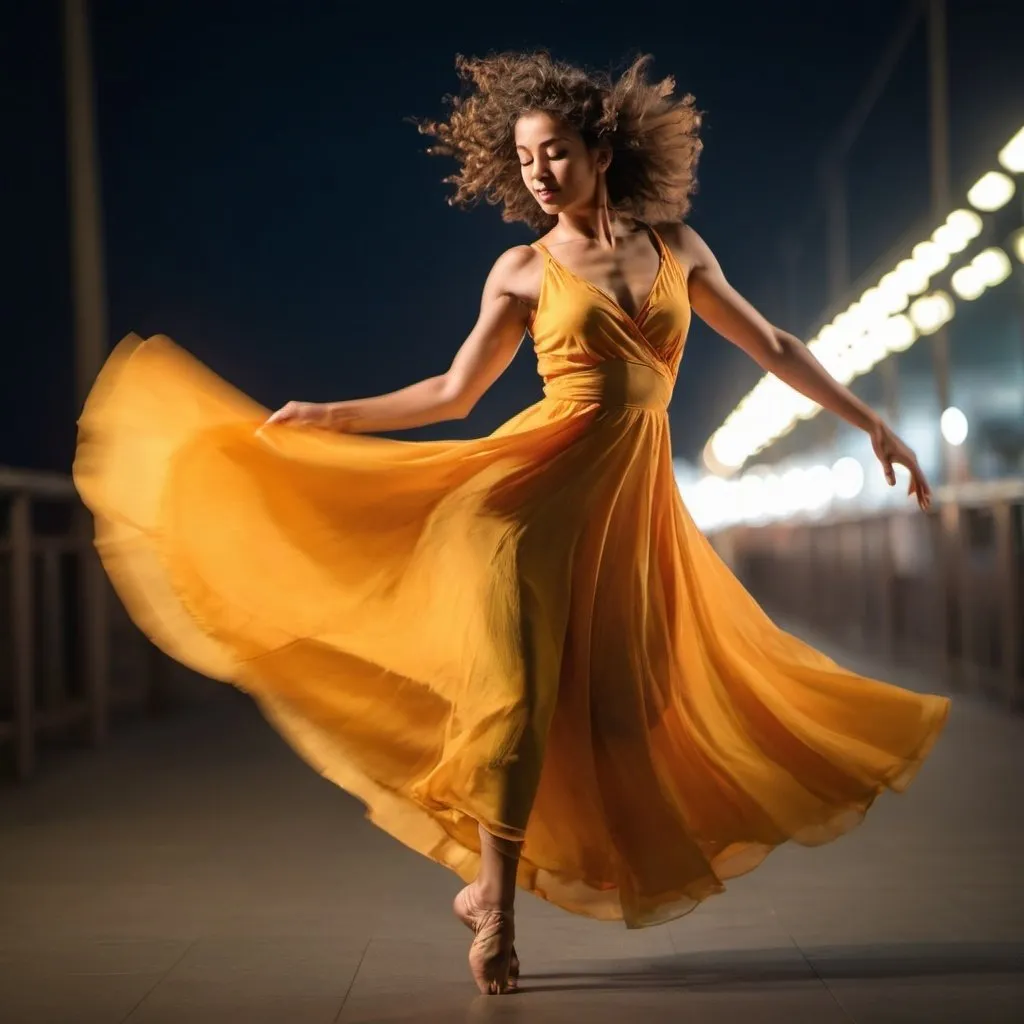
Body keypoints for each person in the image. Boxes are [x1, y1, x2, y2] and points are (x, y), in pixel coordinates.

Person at [74, 50, 950, 997]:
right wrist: (330, 417)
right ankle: (496, 903)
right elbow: (455, 394)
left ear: (600, 151)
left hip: (630, 510)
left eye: (557, 153)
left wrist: (872, 423)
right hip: (522, 506)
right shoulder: (523, 270)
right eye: (527, 158)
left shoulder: (679, 250)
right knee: (519, 699)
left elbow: (774, 343)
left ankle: (496, 873)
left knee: (627, 708)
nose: (539, 172)